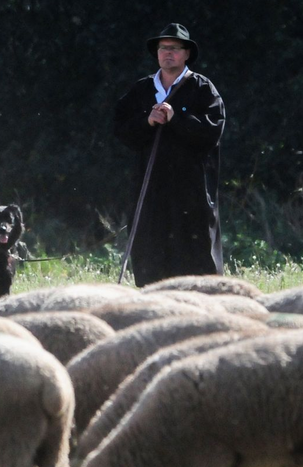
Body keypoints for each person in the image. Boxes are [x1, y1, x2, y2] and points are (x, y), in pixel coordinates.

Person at [114, 23, 226, 286]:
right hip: (150, 191)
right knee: (150, 255)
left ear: (186, 54)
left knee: (195, 259)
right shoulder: (141, 90)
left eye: (174, 48)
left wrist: (178, 119)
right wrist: (147, 121)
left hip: (191, 192)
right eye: (163, 48)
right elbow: (121, 131)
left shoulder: (203, 89)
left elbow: (212, 133)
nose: (167, 53)